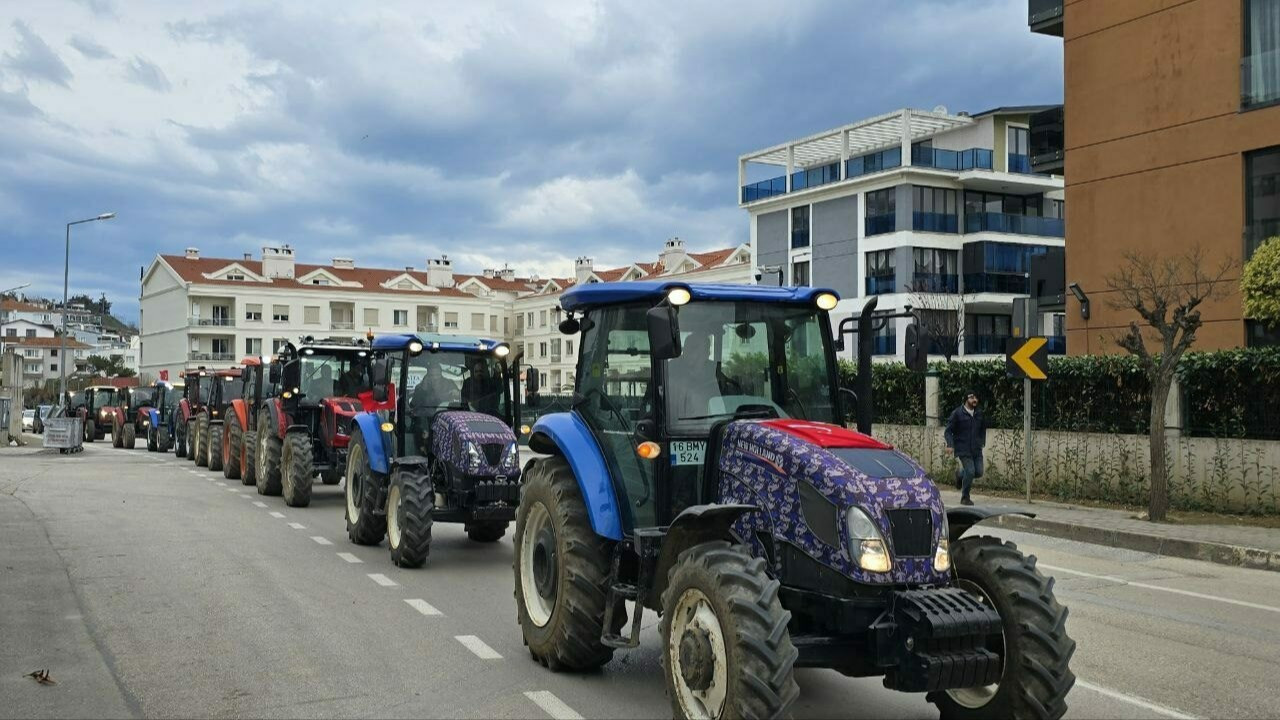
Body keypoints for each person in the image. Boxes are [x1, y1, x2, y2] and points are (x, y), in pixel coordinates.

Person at [944, 391, 986, 506]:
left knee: (979, 472)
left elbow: (983, 429)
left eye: (976, 397)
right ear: (966, 399)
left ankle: (960, 475)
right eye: (972, 397)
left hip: (976, 449)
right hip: (963, 448)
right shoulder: (957, 413)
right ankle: (965, 497)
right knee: (970, 471)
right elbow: (948, 431)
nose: (974, 400)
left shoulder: (979, 413)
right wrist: (950, 444)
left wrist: (982, 442)